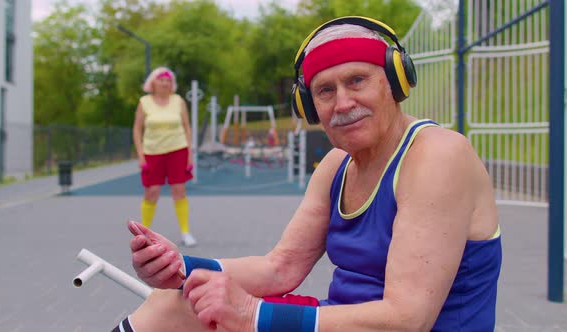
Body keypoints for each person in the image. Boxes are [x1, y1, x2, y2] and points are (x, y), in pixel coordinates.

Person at [114, 16, 502, 332]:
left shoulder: (437, 155)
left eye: (357, 81)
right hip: (344, 321)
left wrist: (252, 315)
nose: (343, 103)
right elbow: (280, 268)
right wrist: (182, 269)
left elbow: (407, 318)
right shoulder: (338, 164)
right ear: (310, 106)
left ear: (396, 83)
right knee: (176, 300)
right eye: (325, 91)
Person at [132, 66, 197, 247]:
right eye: (161, 80)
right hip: (152, 152)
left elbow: (187, 127)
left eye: (168, 80)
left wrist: (190, 153)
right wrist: (140, 155)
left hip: (178, 150)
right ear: (153, 82)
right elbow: (137, 129)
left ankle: (185, 232)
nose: (165, 83)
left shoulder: (178, 101)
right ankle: (143, 233)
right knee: (151, 192)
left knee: (179, 191)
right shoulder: (144, 102)